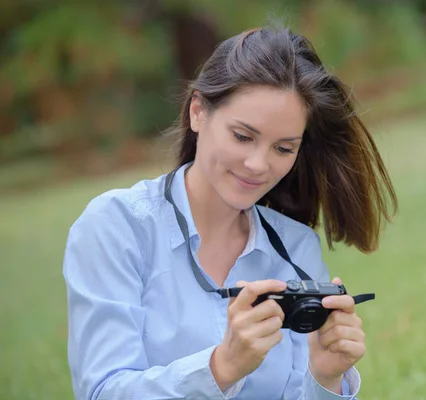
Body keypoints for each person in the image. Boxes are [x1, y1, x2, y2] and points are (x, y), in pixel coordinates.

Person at [63, 23, 397, 400]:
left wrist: (325, 377)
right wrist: (222, 368)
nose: (258, 164)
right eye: (243, 136)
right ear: (198, 112)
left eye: (283, 149)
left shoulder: (297, 247)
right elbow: (103, 391)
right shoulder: (115, 227)